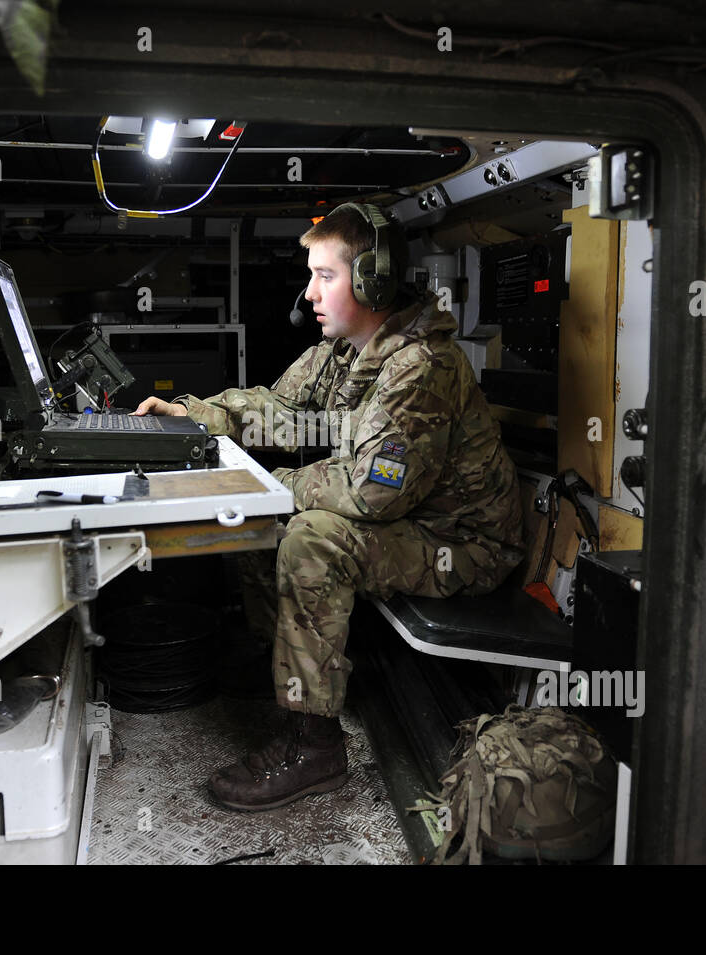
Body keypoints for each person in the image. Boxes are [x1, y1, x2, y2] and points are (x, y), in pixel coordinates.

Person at [134, 202, 524, 811]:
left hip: (464, 545)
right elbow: (278, 409)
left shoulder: (421, 367)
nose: (310, 292)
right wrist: (194, 418)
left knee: (311, 535)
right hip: (411, 525)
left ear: (372, 280)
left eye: (326, 276)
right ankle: (281, 665)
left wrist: (270, 483)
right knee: (274, 510)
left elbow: (372, 492)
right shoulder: (346, 350)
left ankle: (312, 746)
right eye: (311, 275)